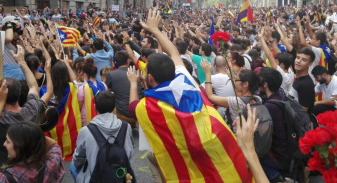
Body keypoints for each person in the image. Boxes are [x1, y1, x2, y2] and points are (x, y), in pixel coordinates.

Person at [127, 9, 252, 182]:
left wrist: (133, 83)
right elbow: (175, 53)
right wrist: (156, 30)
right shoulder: (186, 79)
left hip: (188, 156)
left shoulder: (146, 106)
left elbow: (132, 106)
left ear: (149, 78)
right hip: (214, 144)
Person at [70, 91, 134, 182]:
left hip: (97, 178)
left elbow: (78, 158)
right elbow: (130, 151)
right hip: (120, 175)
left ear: (95, 107)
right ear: (114, 108)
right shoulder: (126, 127)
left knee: (73, 166)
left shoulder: (86, 131)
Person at [0, 122, 65, 182]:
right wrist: (32, 135)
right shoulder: (53, 162)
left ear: (20, 147)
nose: (4, 144)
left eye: (8, 141)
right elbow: (54, 145)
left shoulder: (3, 179)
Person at [105, 51, 141, 127]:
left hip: (122, 113)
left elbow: (107, 93)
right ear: (128, 61)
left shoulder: (111, 75)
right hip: (138, 110)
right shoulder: (137, 73)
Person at [77, 58, 107, 127]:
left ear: (85, 74)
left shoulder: (82, 89)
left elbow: (79, 108)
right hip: (103, 119)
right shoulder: (103, 85)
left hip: (87, 120)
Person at [289, 48, 316, 113]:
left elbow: (302, 113)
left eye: (303, 60)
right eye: (298, 58)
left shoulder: (306, 85)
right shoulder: (298, 78)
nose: (298, 61)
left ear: (309, 64)